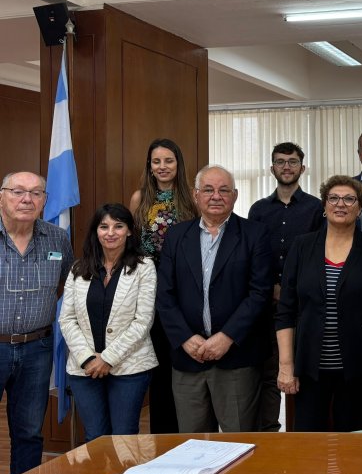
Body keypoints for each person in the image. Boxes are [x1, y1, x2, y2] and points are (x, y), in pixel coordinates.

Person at [155, 165, 272, 432]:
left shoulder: (255, 234)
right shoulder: (176, 236)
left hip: (236, 359)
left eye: (224, 190)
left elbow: (260, 293)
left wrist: (227, 336)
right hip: (188, 358)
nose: (216, 196)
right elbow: (165, 294)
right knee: (191, 445)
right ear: (196, 195)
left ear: (235, 195)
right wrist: (185, 338)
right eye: (208, 189)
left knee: (239, 444)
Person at [275, 176, 362, 431]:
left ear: (360, 207)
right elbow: (286, 310)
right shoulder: (302, 246)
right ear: (324, 205)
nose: (340, 204)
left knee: (355, 446)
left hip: (357, 368)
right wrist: (286, 366)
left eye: (349, 199)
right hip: (309, 368)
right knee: (308, 447)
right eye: (333, 198)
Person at [59, 203, 157, 441]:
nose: (110, 232)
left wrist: (108, 359)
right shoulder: (78, 268)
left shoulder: (144, 267)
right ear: (96, 231)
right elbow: (67, 318)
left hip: (129, 367)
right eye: (104, 226)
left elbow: (142, 321)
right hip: (85, 369)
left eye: (118, 226)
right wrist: (89, 359)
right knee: (95, 438)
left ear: (129, 231)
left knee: (125, 438)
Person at [0, 172, 73, 474]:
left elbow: (71, 287)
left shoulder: (57, 238)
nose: (26, 199)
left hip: (37, 349)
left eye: (35, 193)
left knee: (29, 432)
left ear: (45, 201)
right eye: (18, 191)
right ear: (2, 196)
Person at [248, 142, 324, 432]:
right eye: (280, 162)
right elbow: (252, 257)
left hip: (302, 305)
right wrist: (270, 288)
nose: (287, 167)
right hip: (265, 303)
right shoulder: (258, 210)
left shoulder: (316, 208)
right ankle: (269, 431)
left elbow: (318, 256)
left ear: (302, 168)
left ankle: (298, 431)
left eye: (293, 162)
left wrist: (289, 291)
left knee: (300, 369)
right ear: (272, 168)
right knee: (268, 371)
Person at [129, 138, 198, 434]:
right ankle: (162, 437)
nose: (162, 166)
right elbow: (133, 246)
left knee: (184, 364)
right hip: (150, 291)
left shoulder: (192, 199)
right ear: (149, 166)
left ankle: (190, 432)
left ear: (178, 164)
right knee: (159, 367)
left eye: (168, 160)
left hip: (185, 290)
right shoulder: (139, 199)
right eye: (156, 161)